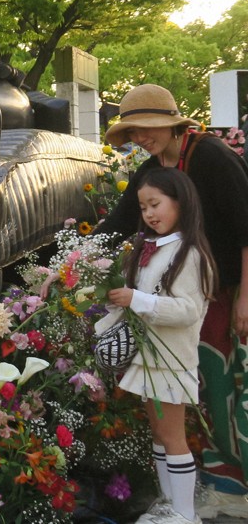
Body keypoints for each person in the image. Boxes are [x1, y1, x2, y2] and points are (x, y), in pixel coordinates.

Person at [99, 84, 248, 512]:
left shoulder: (212, 157)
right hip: (193, 294)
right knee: (204, 388)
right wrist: (68, 263)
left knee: (228, 383)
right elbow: (119, 222)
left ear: (170, 120)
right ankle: (215, 486)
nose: (141, 138)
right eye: (133, 132)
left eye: (146, 128)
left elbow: (245, 228)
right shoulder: (154, 170)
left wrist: (244, 299)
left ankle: (231, 490)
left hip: (226, 291)